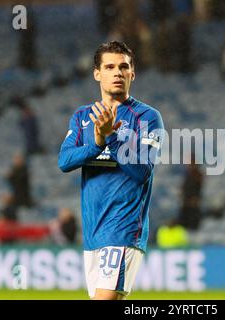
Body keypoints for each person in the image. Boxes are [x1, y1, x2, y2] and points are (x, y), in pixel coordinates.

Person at [58, 41, 164, 300]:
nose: (117, 72)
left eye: (123, 67)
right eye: (110, 67)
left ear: (132, 73)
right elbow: (64, 161)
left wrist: (113, 138)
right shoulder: (83, 117)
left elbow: (143, 172)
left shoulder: (147, 118)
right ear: (97, 73)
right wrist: (97, 142)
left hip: (123, 229)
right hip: (93, 232)